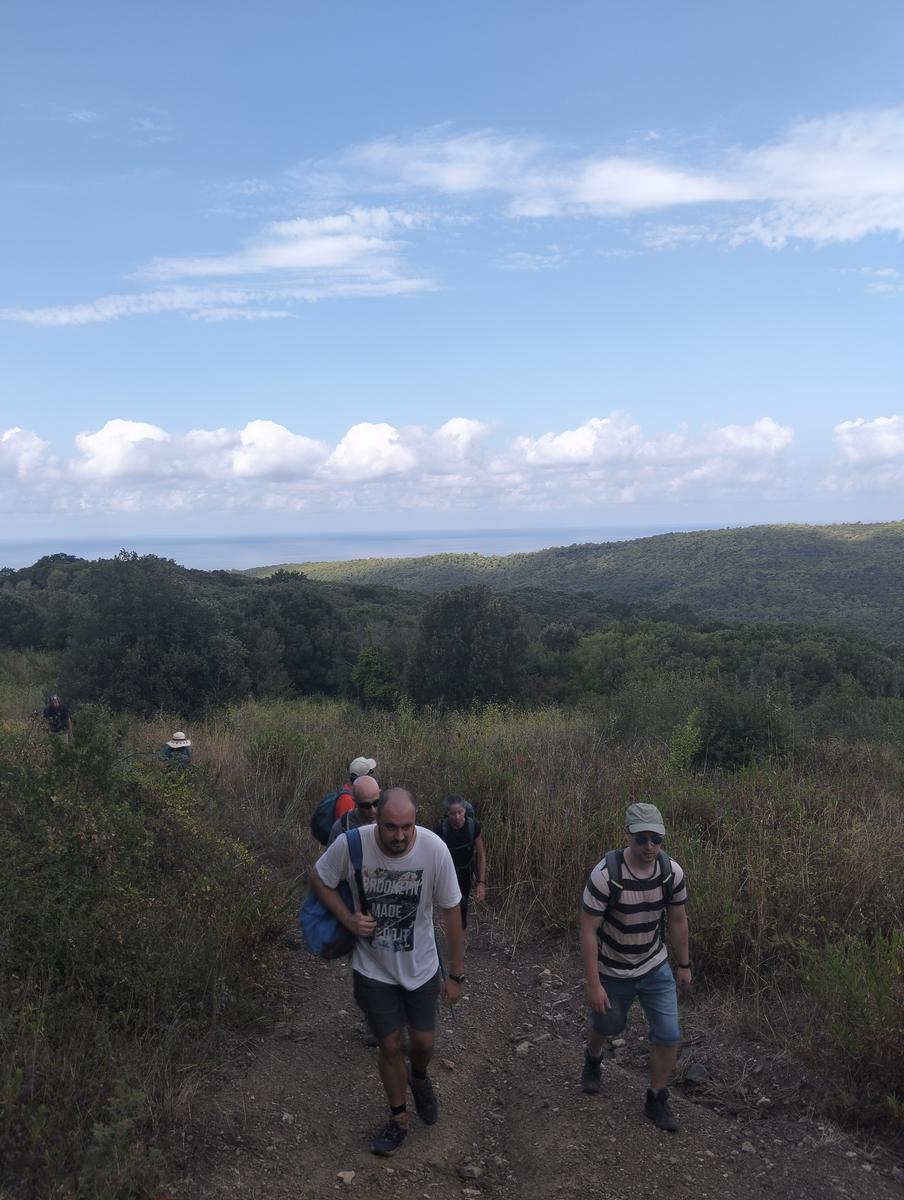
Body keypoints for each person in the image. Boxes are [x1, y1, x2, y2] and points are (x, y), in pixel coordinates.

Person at [310, 787, 464, 1157]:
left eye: (407, 827)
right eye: (391, 827)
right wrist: (347, 917)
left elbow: (452, 911)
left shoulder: (433, 849)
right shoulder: (353, 845)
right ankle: (398, 1118)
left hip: (422, 968)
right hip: (373, 969)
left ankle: (421, 1078)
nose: (399, 836)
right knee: (391, 1045)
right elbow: (318, 877)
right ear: (376, 818)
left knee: (423, 1044)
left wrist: (455, 975)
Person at [579, 801, 691, 1132]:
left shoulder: (671, 872)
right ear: (627, 835)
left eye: (656, 839)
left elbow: (678, 920)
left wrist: (684, 965)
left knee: (669, 1034)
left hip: (654, 966)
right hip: (613, 968)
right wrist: (594, 984)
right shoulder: (605, 876)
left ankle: (656, 1098)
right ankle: (593, 1057)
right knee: (608, 1025)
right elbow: (587, 930)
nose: (649, 847)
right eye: (642, 839)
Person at [433, 794, 487, 931]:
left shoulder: (472, 826)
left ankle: (460, 934)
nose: (457, 817)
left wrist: (481, 883)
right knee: (455, 904)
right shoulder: (441, 829)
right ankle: (457, 935)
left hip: (466, 872)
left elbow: (481, 854)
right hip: (448, 874)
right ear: (447, 813)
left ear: (465, 810)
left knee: (463, 906)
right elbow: (435, 856)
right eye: (452, 813)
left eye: (460, 812)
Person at [327, 774, 381, 846]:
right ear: (355, 802)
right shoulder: (342, 827)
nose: (373, 810)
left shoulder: (387, 818)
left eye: (376, 803)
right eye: (366, 806)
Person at [333, 755, 379, 823]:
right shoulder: (347, 799)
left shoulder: (349, 791)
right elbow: (346, 827)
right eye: (370, 773)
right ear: (365, 777)